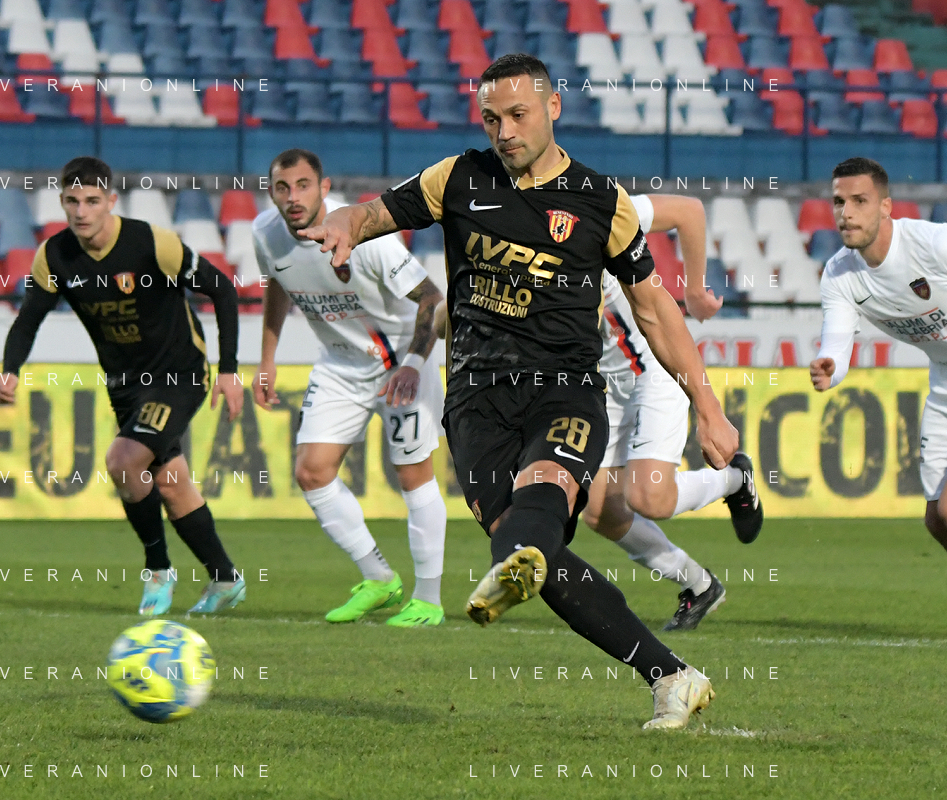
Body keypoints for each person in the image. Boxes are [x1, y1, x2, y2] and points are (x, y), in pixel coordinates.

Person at [299, 53, 740, 730]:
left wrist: (707, 409)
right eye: (490, 119)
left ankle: (519, 562)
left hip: (565, 391)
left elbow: (655, 311)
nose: (503, 131)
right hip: (475, 401)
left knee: (542, 499)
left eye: (517, 115)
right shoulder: (457, 178)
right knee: (533, 549)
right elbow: (374, 213)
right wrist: (343, 224)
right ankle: (671, 676)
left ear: (552, 107)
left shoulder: (602, 203)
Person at [0, 156, 246, 616]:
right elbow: (28, 319)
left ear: (111, 201)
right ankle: (225, 579)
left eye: (92, 201)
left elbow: (222, 289)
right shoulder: (54, 256)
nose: (81, 211)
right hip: (125, 386)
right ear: (61, 202)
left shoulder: (151, 243)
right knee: (171, 484)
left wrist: (228, 371)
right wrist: (10, 369)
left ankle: (158, 570)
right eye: (72, 201)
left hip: (178, 374)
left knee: (123, 461)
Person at [252, 148, 448, 627]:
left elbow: (432, 299)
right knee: (312, 471)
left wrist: (414, 365)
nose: (293, 197)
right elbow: (277, 283)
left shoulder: (367, 236)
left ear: (324, 188)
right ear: (271, 192)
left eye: (303, 186)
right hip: (340, 364)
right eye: (282, 188)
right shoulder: (264, 233)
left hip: (401, 361)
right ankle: (378, 579)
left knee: (412, 474)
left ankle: (428, 599)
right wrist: (267, 359)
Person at [583, 193, 764, 632]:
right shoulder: (518, 244)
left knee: (649, 498)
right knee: (601, 511)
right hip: (605, 384)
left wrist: (695, 290)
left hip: (656, 367)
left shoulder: (595, 209)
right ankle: (699, 586)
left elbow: (688, 211)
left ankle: (734, 479)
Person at [811, 156, 947, 570]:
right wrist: (830, 367)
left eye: (859, 201)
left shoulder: (936, 246)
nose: (846, 213)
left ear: (885, 206)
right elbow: (836, 345)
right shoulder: (839, 275)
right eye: (839, 202)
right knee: (938, 522)